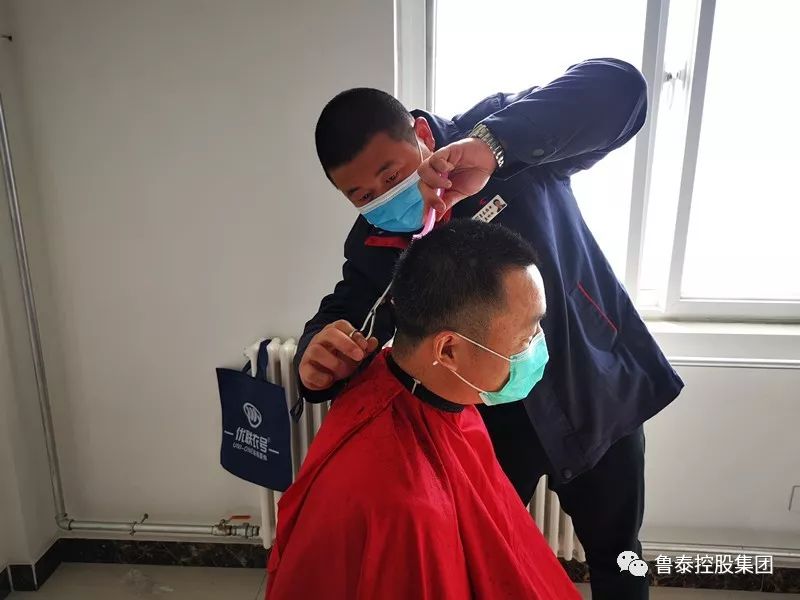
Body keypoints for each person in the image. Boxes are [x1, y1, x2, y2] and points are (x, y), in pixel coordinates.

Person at [297, 58, 684, 600]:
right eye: (364, 196)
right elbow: (348, 309)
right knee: (489, 557)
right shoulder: (375, 243)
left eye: (392, 175)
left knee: (620, 556)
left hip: (592, 387)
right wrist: (315, 355)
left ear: (421, 134)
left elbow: (622, 90)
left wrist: (495, 147)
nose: (385, 197)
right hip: (490, 427)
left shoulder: (500, 138)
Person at [267, 220, 580, 600]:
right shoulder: (404, 509)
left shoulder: (428, 387)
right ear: (448, 350)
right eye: (526, 336)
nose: (538, 346)